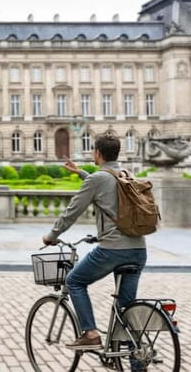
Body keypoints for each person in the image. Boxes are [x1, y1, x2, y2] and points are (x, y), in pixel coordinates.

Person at [42, 131, 147, 351]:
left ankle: (90, 334)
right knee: (126, 310)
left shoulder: (97, 179)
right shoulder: (126, 174)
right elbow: (104, 183)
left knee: (74, 282)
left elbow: (72, 212)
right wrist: (81, 172)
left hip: (113, 251)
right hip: (138, 249)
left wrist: (52, 236)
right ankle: (137, 362)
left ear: (97, 153)